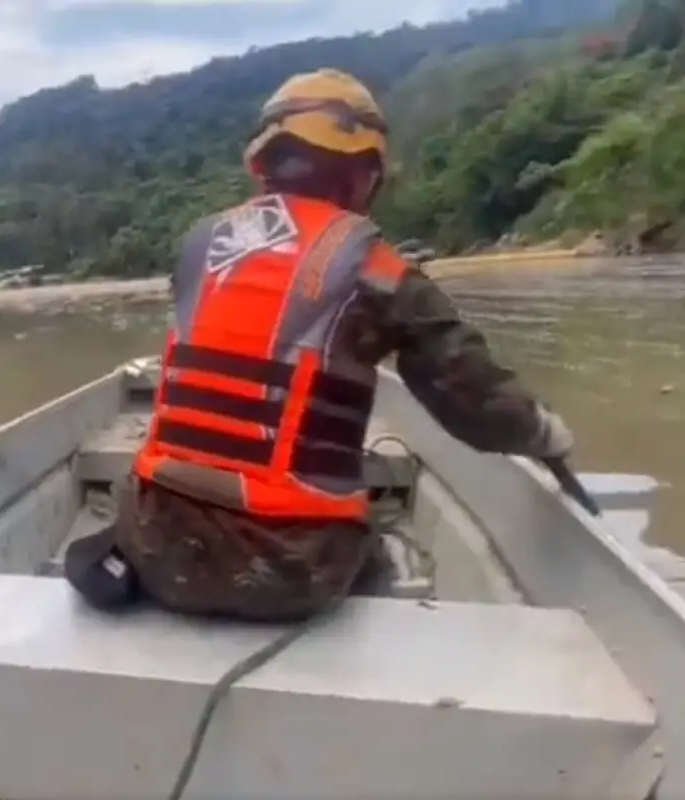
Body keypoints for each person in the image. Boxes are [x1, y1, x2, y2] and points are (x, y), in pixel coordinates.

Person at [102, 68, 574, 622]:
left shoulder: (197, 245)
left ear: (265, 163)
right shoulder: (379, 272)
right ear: (364, 174)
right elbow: (475, 404)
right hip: (289, 570)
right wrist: (544, 433)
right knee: (370, 545)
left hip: (155, 546)